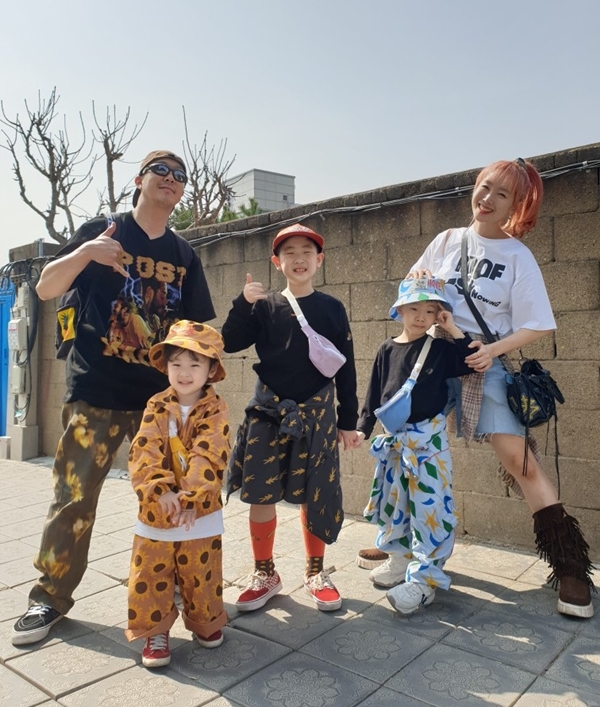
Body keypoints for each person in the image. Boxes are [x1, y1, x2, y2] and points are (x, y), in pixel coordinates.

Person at [359, 158, 595, 618]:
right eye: (485, 187)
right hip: (430, 357)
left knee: (520, 462)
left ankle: (570, 567)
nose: (487, 199)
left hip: (480, 361)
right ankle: (402, 547)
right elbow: (413, 288)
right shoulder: (447, 241)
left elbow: (539, 324)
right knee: (403, 454)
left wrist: (492, 350)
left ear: (515, 205)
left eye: (501, 194)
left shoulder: (517, 256)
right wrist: (421, 302)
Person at [12, 150, 216, 646]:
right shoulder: (103, 231)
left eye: (180, 175)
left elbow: (195, 332)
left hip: (159, 403)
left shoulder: (184, 255)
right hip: (96, 393)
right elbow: (46, 288)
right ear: (139, 180)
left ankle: (173, 596)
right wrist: (86, 253)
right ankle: (50, 597)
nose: (170, 179)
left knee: (172, 499)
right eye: (160, 170)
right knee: (74, 498)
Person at [222, 223, 359, 613]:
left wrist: (348, 421)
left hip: (317, 415)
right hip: (268, 413)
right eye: (290, 253)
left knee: (317, 493)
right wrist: (242, 303)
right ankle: (265, 573)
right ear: (276, 262)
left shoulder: (333, 308)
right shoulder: (264, 306)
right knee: (259, 493)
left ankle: (316, 572)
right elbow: (229, 342)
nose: (299, 259)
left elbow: (346, 368)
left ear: (319, 260)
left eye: (306, 252)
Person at [356, 278, 477, 613]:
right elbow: (374, 391)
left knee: (430, 509)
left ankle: (425, 580)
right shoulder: (386, 348)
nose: (421, 316)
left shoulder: (439, 349)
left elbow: (470, 359)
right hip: (394, 442)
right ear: (399, 310)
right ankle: (400, 560)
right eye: (414, 309)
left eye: (430, 311)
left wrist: (451, 328)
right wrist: (362, 428)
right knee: (394, 503)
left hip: (428, 441)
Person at [126, 320, 229, 668]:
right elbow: (144, 448)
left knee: (202, 570)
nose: (184, 373)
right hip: (157, 508)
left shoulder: (216, 408)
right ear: (166, 366)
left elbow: (210, 452)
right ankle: (155, 631)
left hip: (200, 509)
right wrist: (159, 489)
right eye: (177, 363)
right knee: (151, 572)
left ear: (211, 369)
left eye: (194, 364)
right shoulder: (156, 404)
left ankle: (205, 621)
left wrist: (189, 498)